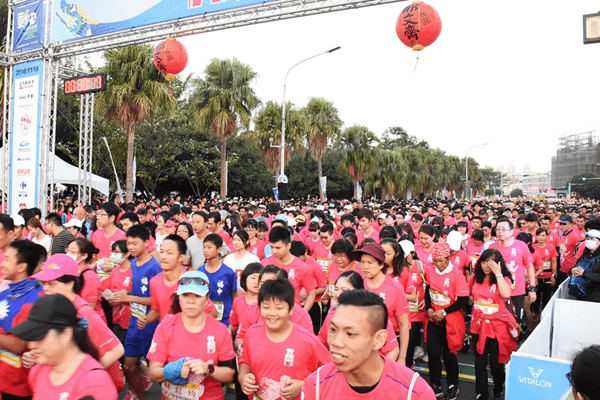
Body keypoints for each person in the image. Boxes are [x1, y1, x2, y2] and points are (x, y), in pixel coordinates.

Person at [302, 289, 435, 400]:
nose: (336, 342)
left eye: (350, 334)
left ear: (379, 340)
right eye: (333, 330)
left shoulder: (415, 392)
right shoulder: (317, 384)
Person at [30, 254, 125, 391]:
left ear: (70, 283)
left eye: (51, 283)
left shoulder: (83, 313)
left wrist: (86, 376)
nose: (45, 288)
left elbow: (117, 350)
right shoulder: (53, 306)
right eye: (43, 283)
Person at [147, 270, 237, 400]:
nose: (190, 301)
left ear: (207, 300)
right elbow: (153, 373)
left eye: (197, 296)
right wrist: (169, 371)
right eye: (185, 295)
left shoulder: (220, 330)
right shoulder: (164, 328)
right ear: (179, 298)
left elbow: (229, 375)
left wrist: (208, 368)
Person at [9, 294, 118, 400]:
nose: (31, 345)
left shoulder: (95, 385)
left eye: (40, 337)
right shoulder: (37, 372)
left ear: (66, 334)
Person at [238, 278, 330, 400]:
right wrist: (244, 378)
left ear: (291, 309)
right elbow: (245, 362)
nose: (272, 313)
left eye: (279, 308)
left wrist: (303, 385)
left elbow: (330, 373)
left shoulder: (307, 341)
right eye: (266, 307)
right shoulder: (251, 334)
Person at [113, 225, 162, 400]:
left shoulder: (155, 267)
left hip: (150, 323)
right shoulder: (133, 262)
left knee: (158, 371)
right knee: (129, 366)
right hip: (134, 321)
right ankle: (140, 397)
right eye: (128, 243)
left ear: (146, 243)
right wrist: (128, 294)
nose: (131, 247)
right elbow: (138, 292)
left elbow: (156, 301)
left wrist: (128, 299)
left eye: (135, 243)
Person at [469, 249, 519, 400]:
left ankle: (498, 386)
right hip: (478, 326)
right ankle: (481, 394)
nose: (486, 266)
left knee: (496, 364)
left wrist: (498, 273)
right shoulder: (475, 278)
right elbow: (470, 295)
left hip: (497, 328)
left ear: (498, 263)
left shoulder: (503, 279)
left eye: (490, 262)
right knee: (480, 363)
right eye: (484, 261)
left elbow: (506, 294)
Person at [318, 271, 399, 360]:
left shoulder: (376, 316)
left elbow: (393, 350)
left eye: (344, 290)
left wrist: (380, 372)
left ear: (358, 292)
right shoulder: (332, 317)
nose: (338, 294)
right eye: (336, 289)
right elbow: (322, 346)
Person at [0, 240, 46, 399]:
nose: (2, 264)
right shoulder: (4, 295)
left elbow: (19, 346)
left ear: (22, 267)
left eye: (7, 259)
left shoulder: (37, 299)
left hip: (21, 385)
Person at [352, 242, 410, 366]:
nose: (365, 267)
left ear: (381, 264)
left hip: (389, 347)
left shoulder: (395, 288)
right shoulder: (357, 285)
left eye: (370, 263)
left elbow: (404, 324)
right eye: (362, 262)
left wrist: (402, 357)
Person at [424, 242, 469, 400]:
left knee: (449, 353)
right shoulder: (430, 271)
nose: (438, 264)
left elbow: (463, 300)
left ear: (448, 258)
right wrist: (429, 309)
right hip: (433, 317)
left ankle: (453, 384)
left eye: (441, 261)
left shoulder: (457, 275)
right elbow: (427, 291)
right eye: (435, 261)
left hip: (450, 318)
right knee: (433, 352)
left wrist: (444, 312)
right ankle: (435, 383)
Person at [261, 226, 318, 312]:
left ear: (288, 246)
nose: (274, 251)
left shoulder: (302, 267)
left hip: (292, 315)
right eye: (272, 247)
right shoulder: (264, 264)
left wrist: (302, 314)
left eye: (278, 248)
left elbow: (311, 293)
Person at [198, 233, 238, 325]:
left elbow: (234, 296)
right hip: (205, 319)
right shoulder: (199, 273)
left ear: (219, 249)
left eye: (209, 247)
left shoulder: (228, 273)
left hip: (225, 320)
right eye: (204, 247)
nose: (205, 251)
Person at [66, 238, 106, 322]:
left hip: (90, 322)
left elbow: (90, 307)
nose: (68, 254)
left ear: (84, 255)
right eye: (67, 251)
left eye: (72, 252)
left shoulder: (90, 277)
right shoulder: (72, 272)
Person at [101, 240, 132, 344]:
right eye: (113, 251)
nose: (114, 255)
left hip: (130, 315)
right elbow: (112, 289)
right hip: (115, 314)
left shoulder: (134, 271)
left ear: (127, 253)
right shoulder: (114, 271)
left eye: (117, 252)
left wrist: (125, 295)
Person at [229, 262, 264, 336]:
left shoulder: (267, 301)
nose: (257, 282)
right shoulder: (238, 302)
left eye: (260, 278)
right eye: (253, 278)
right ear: (245, 280)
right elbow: (234, 326)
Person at [569, 229, 600, 302]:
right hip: (580, 293)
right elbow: (576, 267)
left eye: (592, 239)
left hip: (595, 296)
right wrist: (572, 270)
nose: (589, 241)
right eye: (587, 238)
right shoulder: (585, 255)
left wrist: (584, 273)